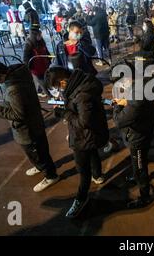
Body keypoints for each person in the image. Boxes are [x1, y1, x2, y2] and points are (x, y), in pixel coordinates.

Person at [0, 61, 58, 192]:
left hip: (28, 129)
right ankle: (41, 167)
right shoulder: (20, 71)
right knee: (40, 151)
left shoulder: (14, 89)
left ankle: (51, 176)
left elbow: (18, 115)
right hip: (35, 122)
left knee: (38, 154)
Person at [45, 67, 109, 218]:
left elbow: (83, 121)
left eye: (57, 87)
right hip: (91, 134)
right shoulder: (82, 80)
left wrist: (63, 113)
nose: (58, 90)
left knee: (83, 170)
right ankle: (98, 175)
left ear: (62, 81)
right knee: (92, 153)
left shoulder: (82, 94)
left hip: (83, 136)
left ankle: (81, 198)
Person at [112, 66, 154, 208]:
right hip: (144, 131)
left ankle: (145, 196)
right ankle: (136, 176)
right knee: (138, 162)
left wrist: (117, 106)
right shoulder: (145, 85)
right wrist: (127, 101)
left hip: (138, 138)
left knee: (140, 167)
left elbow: (119, 121)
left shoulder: (136, 95)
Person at [23, 25, 51, 97]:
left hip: (45, 65)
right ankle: (49, 95)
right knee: (42, 82)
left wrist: (49, 58)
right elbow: (25, 59)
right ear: (35, 35)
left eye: (40, 34)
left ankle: (40, 90)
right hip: (36, 68)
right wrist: (29, 68)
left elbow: (46, 50)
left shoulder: (41, 41)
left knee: (46, 79)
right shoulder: (28, 44)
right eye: (39, 35)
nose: (40, 36)